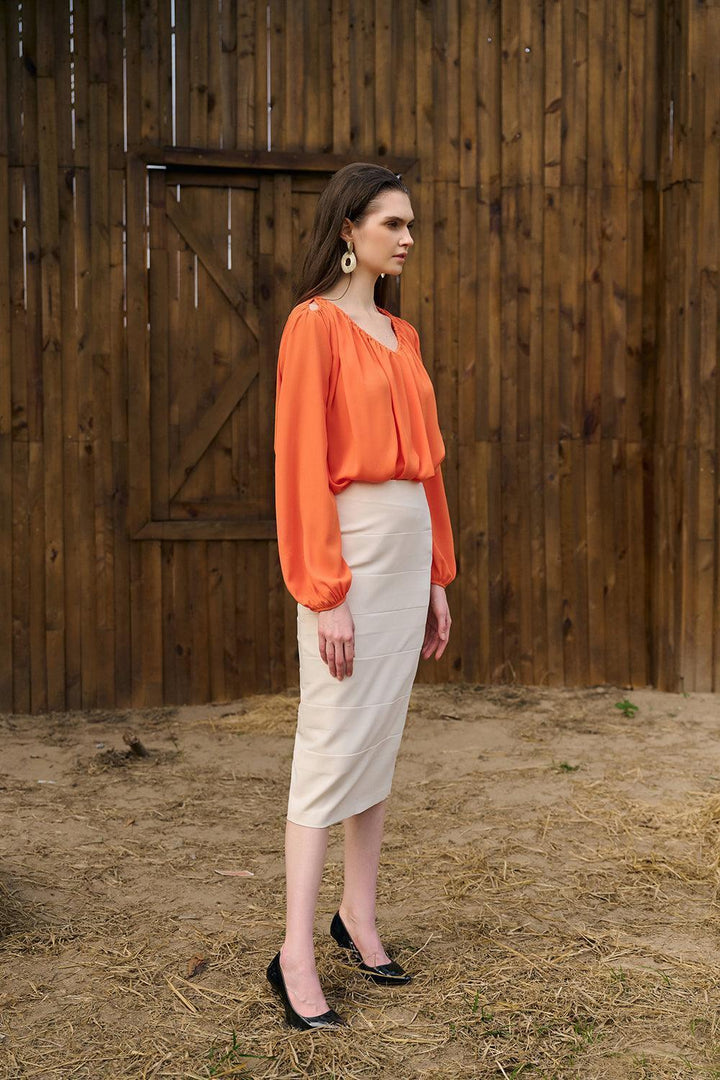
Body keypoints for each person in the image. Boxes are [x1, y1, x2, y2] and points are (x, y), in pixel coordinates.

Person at [268, 162, 457, 1030]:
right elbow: (300, 463)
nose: (408, 237)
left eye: (410, 224)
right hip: (351, 552)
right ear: (348, 230)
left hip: (406, 552)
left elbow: (429, 469)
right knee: (329, 744)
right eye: (392, 223)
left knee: (378, 741)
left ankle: (359, 916)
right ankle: (294, 953)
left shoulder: (402, 334)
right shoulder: (313, 326)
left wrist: (437, 577)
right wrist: (325, 592)